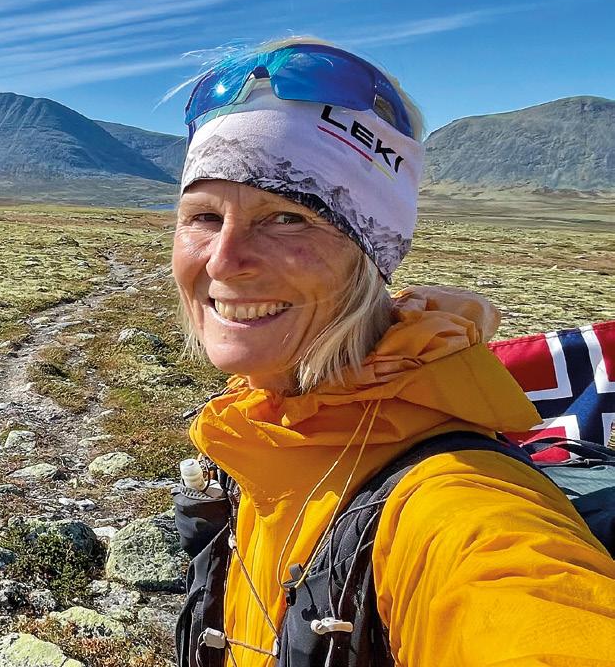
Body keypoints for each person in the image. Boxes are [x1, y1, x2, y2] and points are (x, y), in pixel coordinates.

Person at [170, 38, 615, 666]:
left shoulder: (459, 505)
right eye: (204, 216)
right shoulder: (263, 421)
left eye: (288, 218)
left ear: (372, 251)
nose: (223, 261)